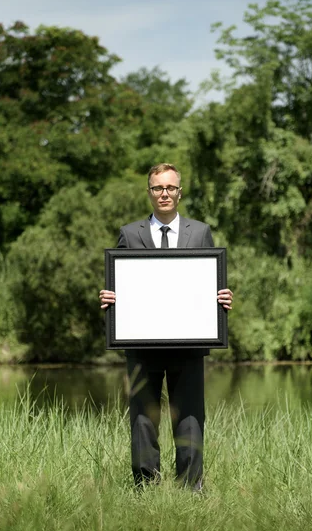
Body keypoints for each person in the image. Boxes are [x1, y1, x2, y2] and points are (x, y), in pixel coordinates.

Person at [99, 163, 233, 491]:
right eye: (158, 188)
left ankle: (190, 488)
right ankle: (145, 488)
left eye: (170, 188)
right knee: (143, 419)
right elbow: (120, 285)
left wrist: (222, 296)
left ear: (179, 192)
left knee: (190, 418)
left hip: (189, 344)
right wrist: (109, 298)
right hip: (142, 345)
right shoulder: (130, 234)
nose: (164, 194)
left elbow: (209, 283)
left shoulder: (200, 233)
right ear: (149, 192)